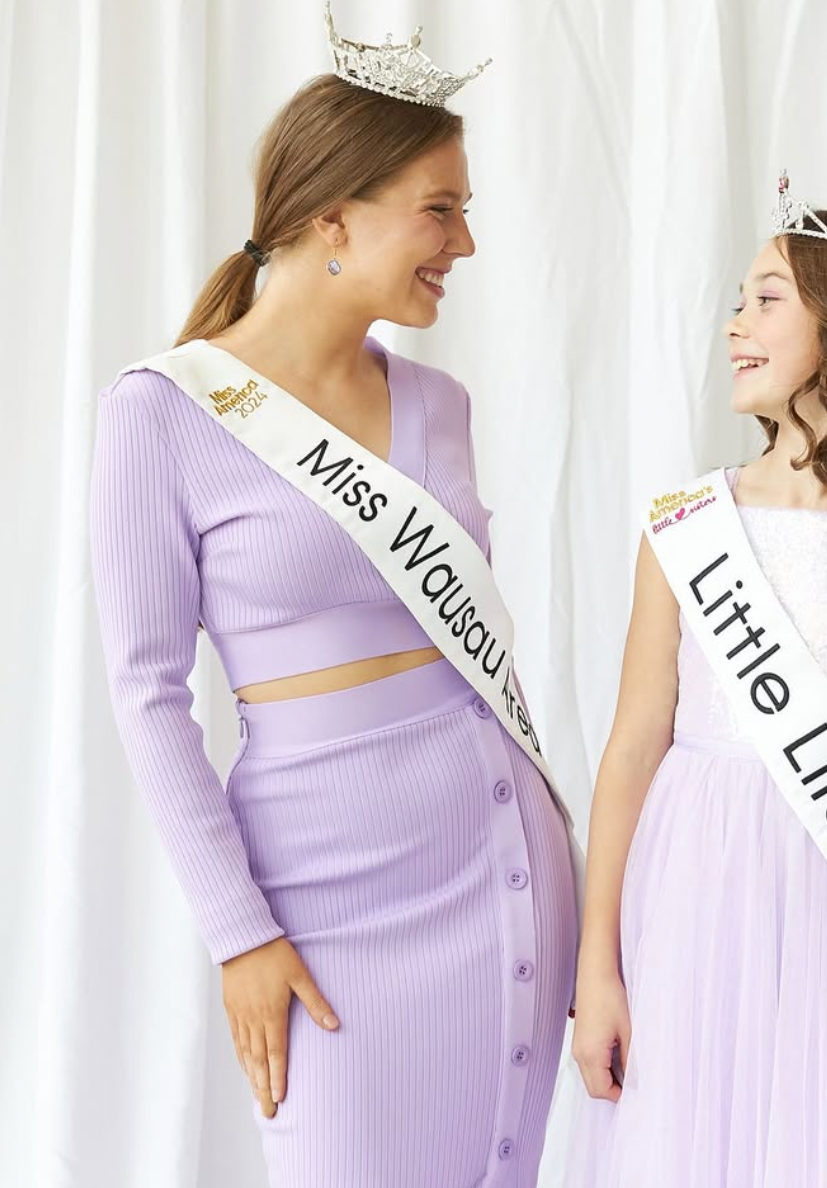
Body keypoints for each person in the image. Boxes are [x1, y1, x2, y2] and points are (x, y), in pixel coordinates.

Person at [88, 11, 579, 1186]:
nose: (464, 242)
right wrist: (237, 929)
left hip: (500, 852)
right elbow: (149, 697)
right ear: (333, 218)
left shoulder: (441, 404)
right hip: (321, 891)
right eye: (440, 207)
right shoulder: (160, 413)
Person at [568, 176, 827, 1187]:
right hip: (687, 912)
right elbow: (634, 748)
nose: (733, 324)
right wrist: (598, 966)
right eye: (738, 300)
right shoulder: (684, 528)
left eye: (766, 298)